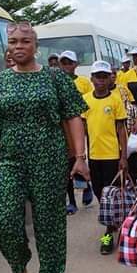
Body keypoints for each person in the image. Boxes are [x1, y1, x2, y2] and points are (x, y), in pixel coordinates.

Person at [0, 21, 89, 273]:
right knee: (4, 219)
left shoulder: (55, 78)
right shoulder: (0, 81)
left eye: (25, 41)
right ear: (7, 47)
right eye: (13, 42)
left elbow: (74, 116)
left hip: (49, 159)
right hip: (11, 161)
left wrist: (79, 157)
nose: (18, 47)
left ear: (36, 46)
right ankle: (19, 270)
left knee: (49, 222)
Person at [82, 60, 128, 254]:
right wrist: (80, 155)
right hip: (93, 156)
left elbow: (121, 130)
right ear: (91, 78)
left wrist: (123, 156)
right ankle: (113, 221)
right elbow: (82, 129)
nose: (100, 80)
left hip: (111, 156)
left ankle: (108, 234)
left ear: (110, 78)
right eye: (97, 76)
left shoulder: (115, 100)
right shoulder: (85, 100)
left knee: (110, 197)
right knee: (100, 194)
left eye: (104, 76)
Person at [59, 50, 94, 212]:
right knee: (65, 166)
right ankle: (72, 201)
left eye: (69, 62)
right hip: (61, 129)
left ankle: (86, 186)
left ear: (75, 64)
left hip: (79, 127)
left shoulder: (84, 82)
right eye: (63, 62)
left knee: (77, 159)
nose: (66, 65)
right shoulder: (55, 82)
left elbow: (89, 105)